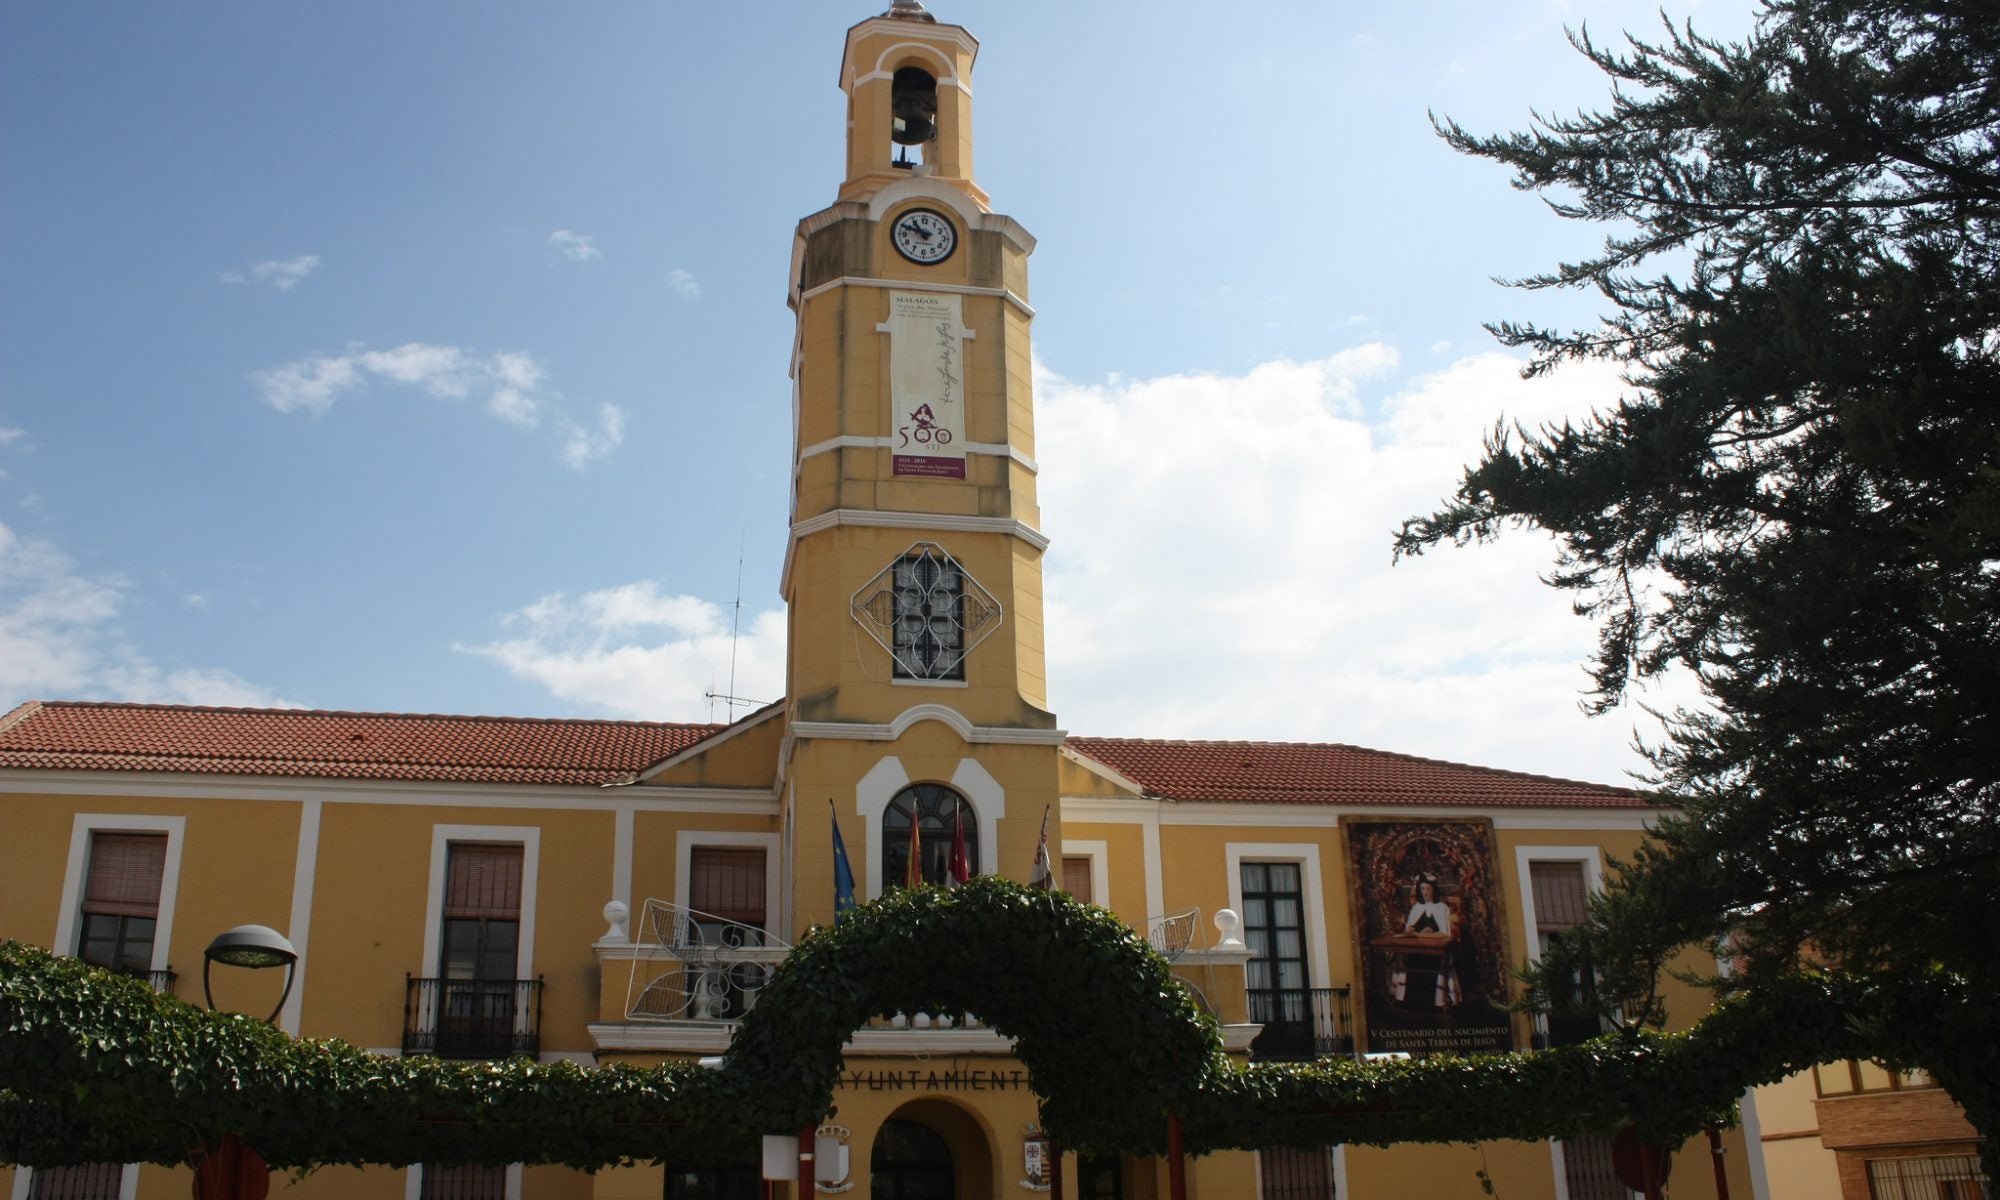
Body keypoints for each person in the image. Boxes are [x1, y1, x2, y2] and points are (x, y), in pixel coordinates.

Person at [1392, 876, 1463, 1008]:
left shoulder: (1442, 907)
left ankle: (1436, 1002)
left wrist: (1424, 933)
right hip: (1417, 950)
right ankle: (1410, 1002)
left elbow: (1445, 934)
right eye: (1422, 889)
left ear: (1434, 890)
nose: (1425, 893)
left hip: (1435, 953)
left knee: (1434, 964)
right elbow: (1409, 930)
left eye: (1428, 889)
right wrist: (1412, 929)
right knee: (1408, 961)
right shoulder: (1417, 907)